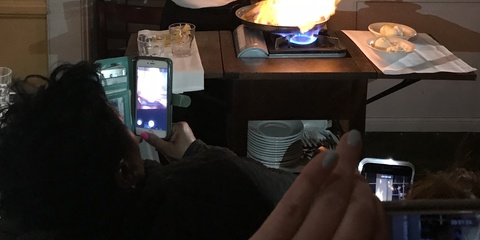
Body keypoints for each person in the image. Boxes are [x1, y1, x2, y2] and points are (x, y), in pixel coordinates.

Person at [0, 62, 386, 240]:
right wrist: (201, 152)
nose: (134, 134)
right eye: (124, 128)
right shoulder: (207, 187)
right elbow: (291, 194)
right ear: (124, 172)